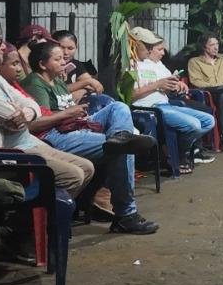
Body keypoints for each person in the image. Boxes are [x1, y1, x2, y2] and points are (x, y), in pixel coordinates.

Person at [0, 23, 89, 257]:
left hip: (21, 142)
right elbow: (9, 116)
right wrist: (23, 112)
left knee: (86, 167)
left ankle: (23, 229)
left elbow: (29, 104)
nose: (3, 46)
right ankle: (18, 231)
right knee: (73, 175)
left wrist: (27, 112)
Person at [19, 39, 159, 232]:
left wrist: (81, 96)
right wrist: (69, 113)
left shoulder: (57, 81)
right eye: (58, 59)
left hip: (76, 126)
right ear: (43, 64)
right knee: (125, 149)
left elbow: (65, 99)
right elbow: (35, 124)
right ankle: (126, 215)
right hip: (55, 136)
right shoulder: (35, 83)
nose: (64, 61)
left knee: (118, 107)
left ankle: (120, 135)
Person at [130, 27, 218, 168]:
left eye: (150, 46)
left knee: (209, 120)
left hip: (166, 103)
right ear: (136, 45)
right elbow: (130, 96)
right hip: (150, 109)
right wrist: (157, 85)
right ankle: (178, 157)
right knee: (194, 125)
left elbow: (164, 84)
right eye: (148, 46)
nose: (149, 49)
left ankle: (178, 152)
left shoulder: (156, 64)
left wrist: (173, 85)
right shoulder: (130, 65)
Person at [50, 29, 105, 97]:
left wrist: (82, 91)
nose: (66, 52)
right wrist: (86, 82)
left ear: (76, 47)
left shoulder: (76, 64)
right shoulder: (48, 66)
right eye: (62, 48)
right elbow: (57, 89)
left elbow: (96, 86)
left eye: (70, 48)